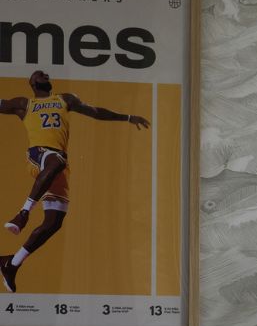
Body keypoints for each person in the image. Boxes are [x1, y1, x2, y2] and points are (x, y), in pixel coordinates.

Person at [0, 66, 150, 291]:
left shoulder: (65, 99)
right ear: (31, 82)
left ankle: (11, 264)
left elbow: (96, 112)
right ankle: (23, 213)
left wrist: (127, 117)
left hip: (57, 164)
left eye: (46, 74)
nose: (44, 74)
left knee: (54, 222)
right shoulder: (24, 103)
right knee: (56, 160)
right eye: (39, 73)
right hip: (39, 155)